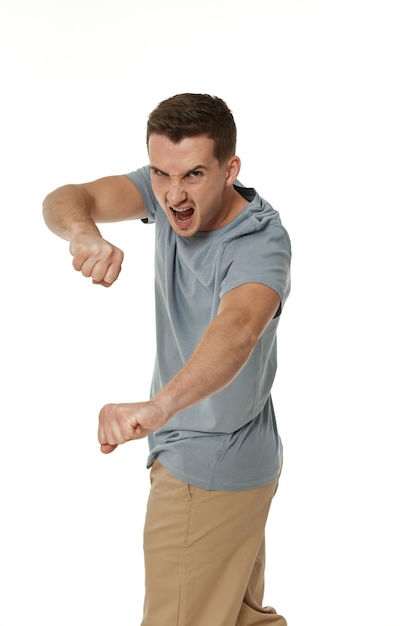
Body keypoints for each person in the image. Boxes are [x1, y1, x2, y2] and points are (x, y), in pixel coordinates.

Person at [43, 93, 291, 626]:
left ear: (231, 169)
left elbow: (238, 330)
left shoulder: (258, 243)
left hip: (206, 471)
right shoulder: (167, 192)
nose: (174, 195)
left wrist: (159, 408)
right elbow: (67, 197)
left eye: (194, 174)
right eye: (160, 173)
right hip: (236, 463)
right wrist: (84, 232)